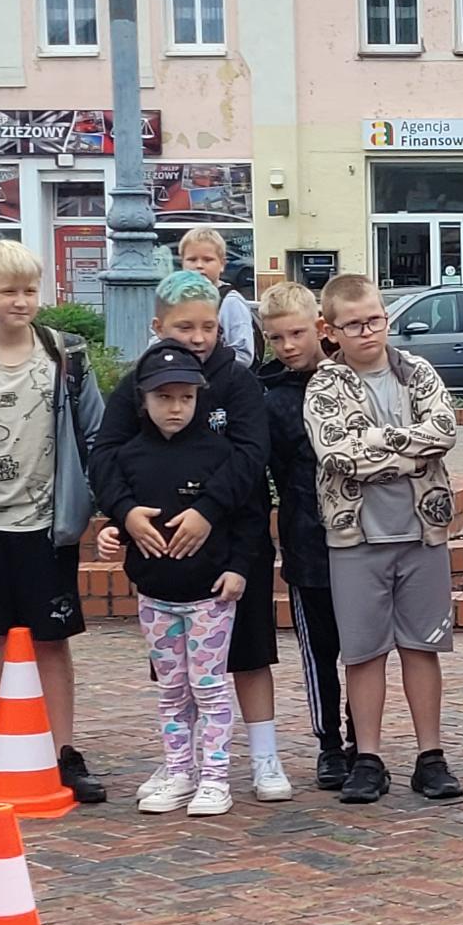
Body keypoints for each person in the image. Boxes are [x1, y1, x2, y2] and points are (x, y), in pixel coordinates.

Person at [91, 269, 291, 802]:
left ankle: (264, 758)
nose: (199, 338)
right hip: (165, 559)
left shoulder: (237, 380)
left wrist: (208, 509)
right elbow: (107, 453)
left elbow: (252, 453)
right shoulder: (139, 382)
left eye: (208, 327)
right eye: (185, 327)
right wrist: (125, 513)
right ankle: (181, 763)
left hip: (233, 542)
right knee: (178, 671)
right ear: (159, 326)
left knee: (249, 652)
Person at [304, 273, 463, 805]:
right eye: (353, 325)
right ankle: (368, 757)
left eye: (374, 319)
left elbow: (444, 431)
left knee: (422, 647)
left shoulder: (417, 371)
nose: (367, 331)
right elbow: (338, 455)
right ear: (330, 330)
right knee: (363, 652)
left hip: (422, 532)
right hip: (355, 538)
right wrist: (410, 451)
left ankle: (431, 756)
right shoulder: (325, 386)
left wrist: (375, 443)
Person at [0, 240, 107, 803]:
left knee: (52, 638)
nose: (21, 301)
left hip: (48, 523)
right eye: (8, 291)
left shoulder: (63, 356)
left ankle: (65, 750)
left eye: (29, 290)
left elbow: (95, 433)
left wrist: (94, 504)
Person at [100, 345, 249, 816]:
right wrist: (114, 534)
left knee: (209, 688)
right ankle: (179, 770)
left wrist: (239, 567)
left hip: (209, 597)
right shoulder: (129, 456)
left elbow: (246, 515)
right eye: (163, 398)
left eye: (186, 397)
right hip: (154, 595)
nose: (176, 408)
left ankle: (215, 778)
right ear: (143, 399)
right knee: (171, 690)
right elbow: (124, 518)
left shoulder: (219, 453)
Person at [259, 282, 355, 789]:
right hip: (305, 543)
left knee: (361, 648)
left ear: (319, 327)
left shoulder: (350, 378)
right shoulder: (269, 397)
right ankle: (329, 745)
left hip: (358, 539)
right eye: (276, 338)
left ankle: (363, 740)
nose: (288, 346)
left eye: (296, 333)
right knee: (318, 651)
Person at [177, 227, 258, 367]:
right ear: (182, 263)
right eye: (192, 259)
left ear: (222, 264)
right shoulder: (174, 300)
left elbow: (244, 354)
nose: (199, 266)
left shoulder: (231, 302)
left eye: (208, 260)